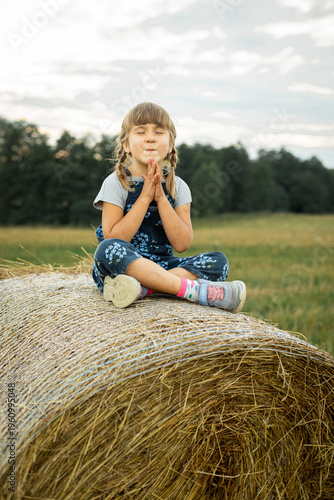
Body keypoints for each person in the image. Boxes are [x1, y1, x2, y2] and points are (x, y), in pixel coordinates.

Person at [92, 102, 246, 311]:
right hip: (120, 270)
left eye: (159, 131)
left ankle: (143, 289)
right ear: (126, 144)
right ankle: (194, 291)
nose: (150, 137)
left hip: (163, 265)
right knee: (106, 249)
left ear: (171, 143)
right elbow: (115, 239)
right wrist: (145, 198)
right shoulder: (116, 182)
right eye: (140, 131)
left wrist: (162, 199)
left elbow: (182, 244)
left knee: (219, 262)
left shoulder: (178, 187)